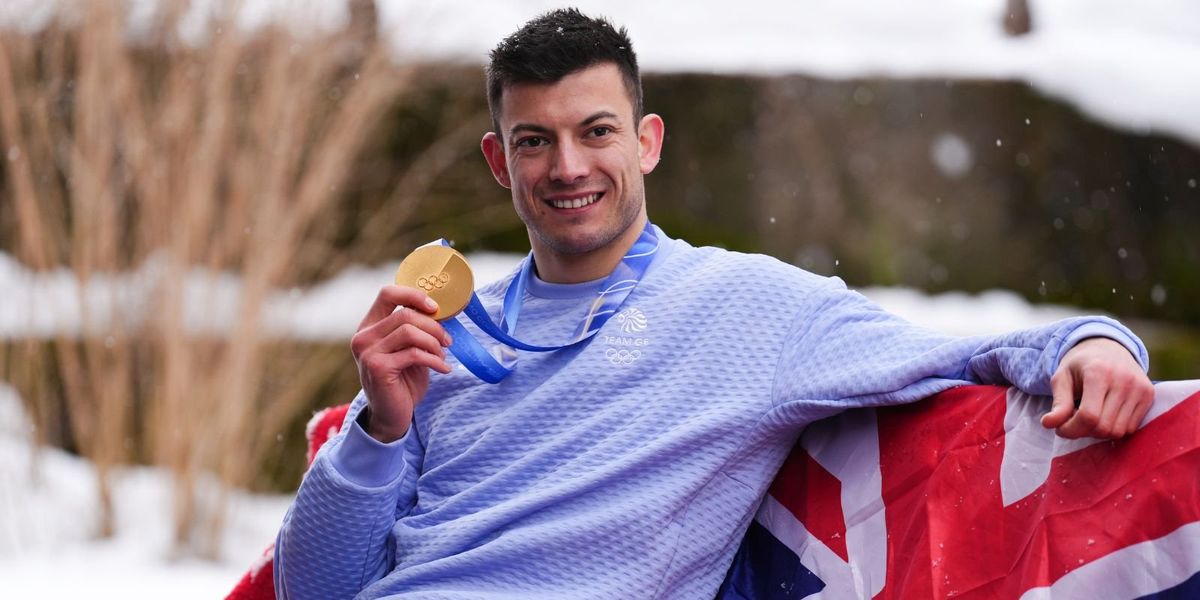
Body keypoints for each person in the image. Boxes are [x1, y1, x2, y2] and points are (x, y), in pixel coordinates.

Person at [274, 9, 1155, 599]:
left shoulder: (749, 308)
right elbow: (312, 587)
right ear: (500, 163)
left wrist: (1095, 342)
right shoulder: (439, 336)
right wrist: (378, 430)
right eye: (534, 141)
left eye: (597, 132)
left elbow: (963, 352)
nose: (568, 167)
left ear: (647, 143)